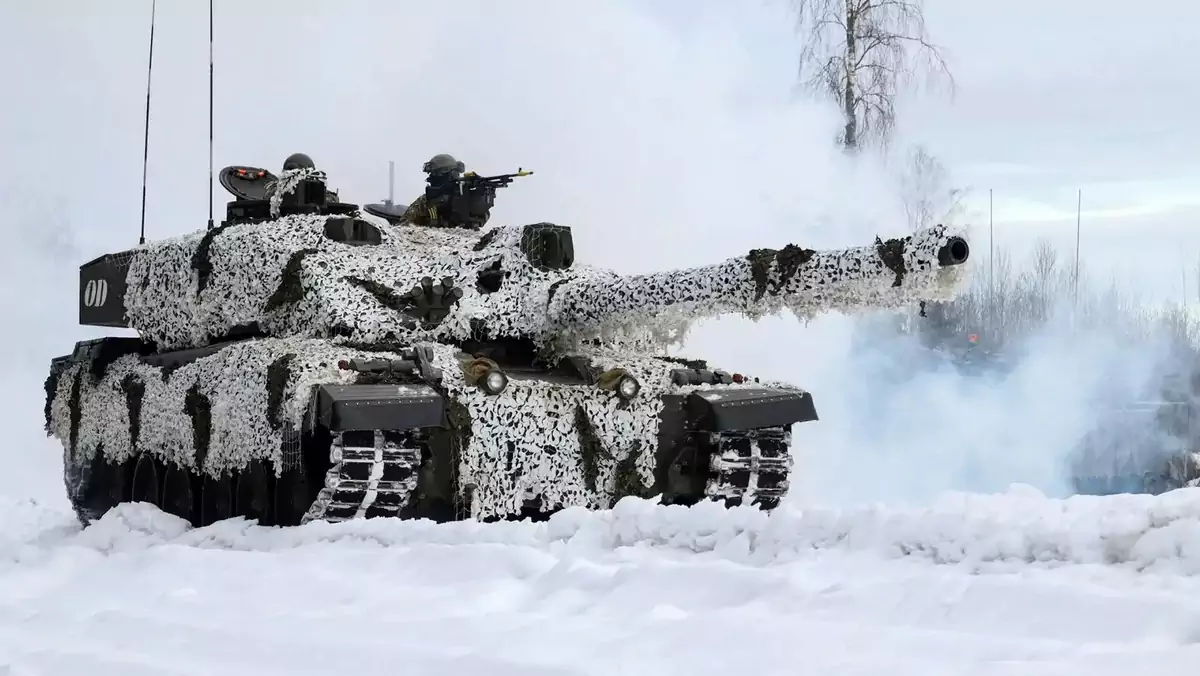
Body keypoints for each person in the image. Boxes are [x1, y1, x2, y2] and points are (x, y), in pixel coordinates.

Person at [402, 153, 494, 229]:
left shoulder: (466, 194)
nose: (431, 177)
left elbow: (482, 217)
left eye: (435, 173)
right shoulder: (426, 201)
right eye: (431, 174)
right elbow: (403, 228)